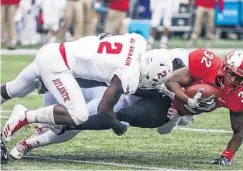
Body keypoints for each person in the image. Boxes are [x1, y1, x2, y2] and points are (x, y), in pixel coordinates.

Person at [7, 48, 195, 160]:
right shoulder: (166, 58)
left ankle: (29, 143)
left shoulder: (191, 93)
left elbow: (163, 129)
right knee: (69, 89)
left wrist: (174, 119)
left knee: (75, 122)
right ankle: (40, 121)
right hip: (115, 81)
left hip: (123, 101)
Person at [1, 33, 174, 144]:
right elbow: (103, 110)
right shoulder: (129, 76)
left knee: (13, 89)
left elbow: (103, 38)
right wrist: (117, 126)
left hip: (55, 50)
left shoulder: (138, 41)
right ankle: (25, 115)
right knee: (78, 114)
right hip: (59, 65)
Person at [159, 48, 243, 165]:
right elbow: (170, 82)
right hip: (180, 93)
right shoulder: (207, 63)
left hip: (195, 107)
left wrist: (227, 156)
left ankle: (183, 115)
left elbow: (239, 131)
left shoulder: (239, 96)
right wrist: (187, 100)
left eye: (239, 78)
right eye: (231, 73)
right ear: (224, 68)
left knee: (163, 129)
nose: (233, 80)